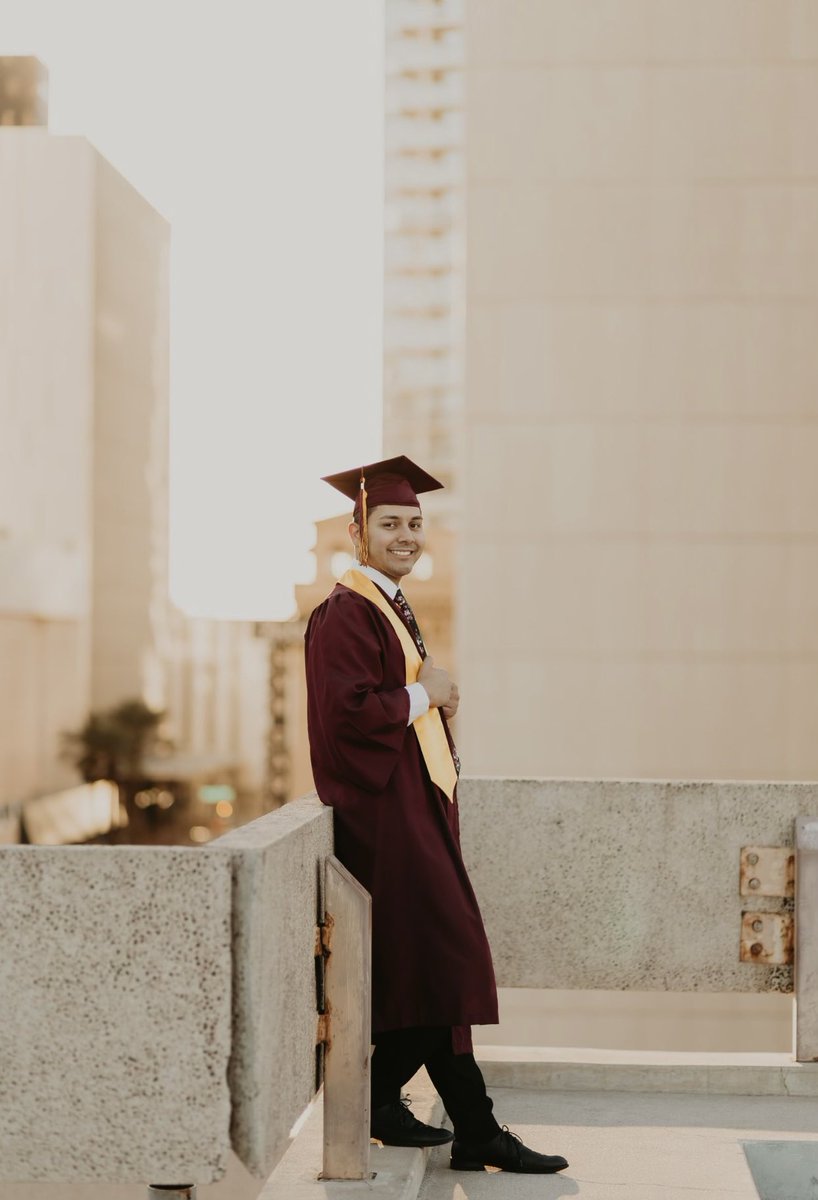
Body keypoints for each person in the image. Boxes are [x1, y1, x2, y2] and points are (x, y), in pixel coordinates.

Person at [304, 455, 568, 1175]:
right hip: (385, 818)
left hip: (416, 807)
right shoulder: (345, 613)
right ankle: (380, 1099)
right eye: (390, 523)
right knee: (449, 963)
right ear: (357, 529)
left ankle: (462, 1126)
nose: (406, 535)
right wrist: (430, 693)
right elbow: (349, 713)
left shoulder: (388, 605)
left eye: (415, 524)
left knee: (434, 973)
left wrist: (430, 695)